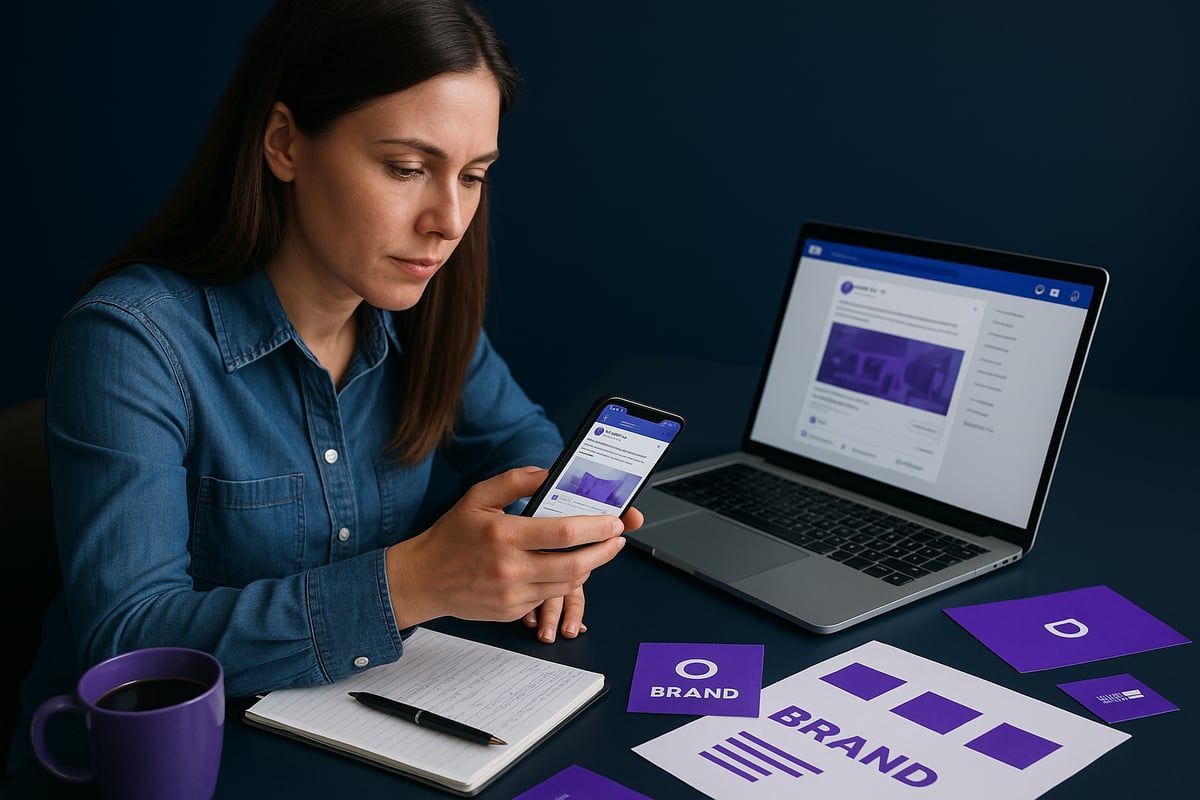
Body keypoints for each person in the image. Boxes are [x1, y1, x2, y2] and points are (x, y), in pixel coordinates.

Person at [10, 0, 637, 771]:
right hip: (151, 767)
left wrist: (532, 548)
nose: (448, 220)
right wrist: (414, 581)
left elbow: (524, 445)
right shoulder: (130, 339)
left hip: (350, 737)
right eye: (407, 168)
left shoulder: (420, 308)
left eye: (473, 176)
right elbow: (130, 640)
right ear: (284, 144)